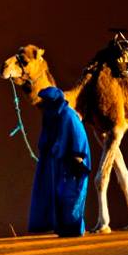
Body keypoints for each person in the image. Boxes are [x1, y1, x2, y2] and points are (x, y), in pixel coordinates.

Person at [27, 85, 91, 237]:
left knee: (71, 196)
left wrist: (77, 159)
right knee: (57, 195)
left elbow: (79, 137)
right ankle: (62, 228)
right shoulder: (52, 116)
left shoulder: (68, 116)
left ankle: (74, 229)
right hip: (59, 163)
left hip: (73, 163)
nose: (44, 104)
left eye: (47, 101)